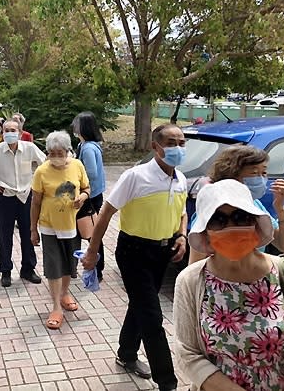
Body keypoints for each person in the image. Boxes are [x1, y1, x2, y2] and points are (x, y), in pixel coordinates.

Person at [81, 124, 187, 391]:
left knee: (141, 304)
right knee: (152, 317)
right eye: (171, 143)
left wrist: (182, 236)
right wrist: (93, 252)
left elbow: (182, 213)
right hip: (134, 252)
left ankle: (126, 354)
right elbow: (105, 213)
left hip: (163, 252)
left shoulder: (181, 179)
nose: (177, 148)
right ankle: (168, 383)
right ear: (156, 146)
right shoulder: (136, 176)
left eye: (181, 143)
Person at [174, 179, 284, 391]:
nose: (231, 227)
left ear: (256, 225)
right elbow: (187, 354)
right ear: (205, 233)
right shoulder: (190, 280)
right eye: (218, 220)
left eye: (241, 217)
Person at [0, 119, 47, 287]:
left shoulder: (29, 148)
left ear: (20, 133)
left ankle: (28, 268)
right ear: (2, 133)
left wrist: (38, 184)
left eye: (13, 130)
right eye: (6, 130)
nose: (10, 133)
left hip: (26, 196)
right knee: (4, 236)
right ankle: (5, 270)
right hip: (5, 197)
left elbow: (45, 165)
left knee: (28, 233)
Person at [189, 145, 284, 264]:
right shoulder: (215, 209)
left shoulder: (255, 204)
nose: (261, 178)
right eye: (254, 173)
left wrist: (280, 209)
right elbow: (195, 265)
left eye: (264, 172)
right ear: (231, 174)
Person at [30, 131, 90, 328]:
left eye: (60, 152)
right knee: (54, 265)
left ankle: (65, 293)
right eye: (52, 153)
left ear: (68, 150)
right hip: (49, 226)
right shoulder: (42, 171)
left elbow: (86, 188)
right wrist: (33, 229)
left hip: (71, 225)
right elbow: (36, 202)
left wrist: (82, 197)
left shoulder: (77, 165)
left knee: (69, 264)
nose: (56, 156)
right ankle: (56, 306)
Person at [72, 111, 106, 280]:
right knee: (87, 231)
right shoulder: (84, 146)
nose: (74, 127)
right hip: (91, 195)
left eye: (77, 124)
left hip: (90, 197)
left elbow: (91, 174)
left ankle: (97, 268)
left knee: (91, 233)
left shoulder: (88, 148)